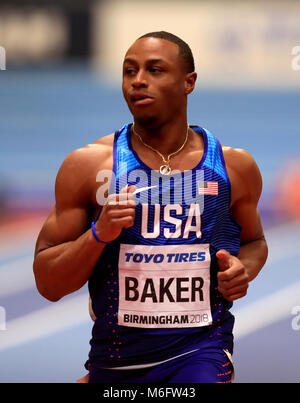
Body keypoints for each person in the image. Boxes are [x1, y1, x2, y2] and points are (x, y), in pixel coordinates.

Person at [33, 31, 268, 383]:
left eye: (155, 70)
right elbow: (48, 284)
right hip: (114, 359)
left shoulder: (233, 168)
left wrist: (242, 269)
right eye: (129, 71)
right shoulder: (90, 167)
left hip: (202, 350)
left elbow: (254, 243)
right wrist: (99, 234)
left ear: (189, 82)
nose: (138, 80)